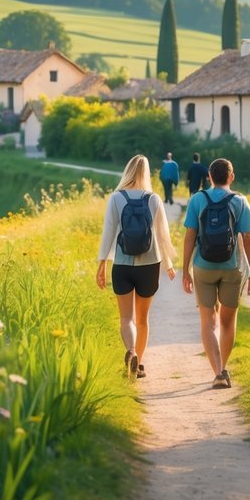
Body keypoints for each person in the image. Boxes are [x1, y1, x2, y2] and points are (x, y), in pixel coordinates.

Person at [97, 154, 177, 379]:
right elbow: (163, 235)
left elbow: (108, 232)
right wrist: (169, 264)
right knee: (142, 320)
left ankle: (130, 352)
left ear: (128, 171)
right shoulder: (153, 199)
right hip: (150, 264)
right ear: (146, 173)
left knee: (126, 319)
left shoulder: (116, 198)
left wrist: (101, 264)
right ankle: (138, 364)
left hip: (122, 264)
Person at [181, 157, 250, 389]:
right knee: (228, 321)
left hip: (203, 266)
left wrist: (185, 270)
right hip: (232, 267)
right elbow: (249, 239)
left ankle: (217, 372)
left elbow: (189, 236)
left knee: (207, 320)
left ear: (209, 177)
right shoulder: (240, 201)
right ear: (231, 177)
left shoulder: (197, 199)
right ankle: (223, 368)